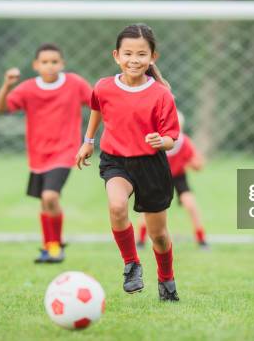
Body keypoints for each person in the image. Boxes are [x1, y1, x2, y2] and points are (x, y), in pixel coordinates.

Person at [76, 24, 181, 301]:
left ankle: (166, 280)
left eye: (141, 54)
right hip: (116, 162)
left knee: (158, 235)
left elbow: (172, 137)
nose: (134, 60)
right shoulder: (104, 87)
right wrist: (88, 141)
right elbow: (97, 109)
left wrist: (162, 141)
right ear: (116, 56)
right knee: (117, 205)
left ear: (152, 57)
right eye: (128, 53)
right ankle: (132, 264)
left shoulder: (160, 94)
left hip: (151, 165)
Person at [0, 43, 92, 263]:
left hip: (66, 151)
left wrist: (89, 138)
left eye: (54, 61)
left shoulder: (75, 83)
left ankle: (56, 247)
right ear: (36, 65)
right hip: (38, 155)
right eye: (45, 62)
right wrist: (7, 86)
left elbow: (98, 104)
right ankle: (50, 247)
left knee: (50, 196)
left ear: (62, 64)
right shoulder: (28, 88)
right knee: (44, 202)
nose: (50, 66)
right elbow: (1, 109)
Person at [136, 111, 209, 250]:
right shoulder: (156, 141)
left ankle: (201, 239)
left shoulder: (184, 143)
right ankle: (141, 240)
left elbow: (198, 164)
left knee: (190, 204)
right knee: (147, 207)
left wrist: (195, 164)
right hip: (158, 176)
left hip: (178, 176)